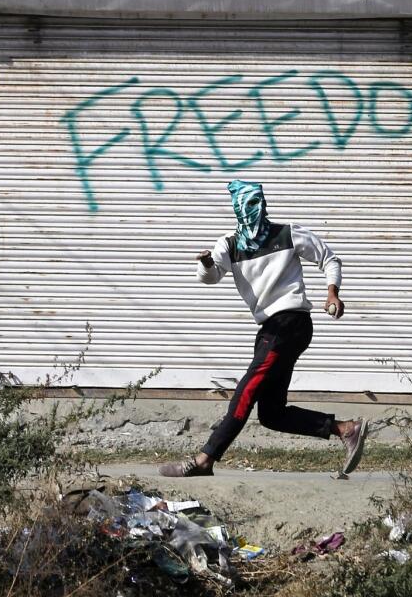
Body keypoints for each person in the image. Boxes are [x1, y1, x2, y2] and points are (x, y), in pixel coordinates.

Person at [158, 179, 368, 478]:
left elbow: (329, 258)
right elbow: (210, 277)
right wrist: (206, 263)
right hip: (271, 329)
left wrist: (332, 292)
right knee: (272, 414)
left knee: (247, 389)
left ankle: (205, 459)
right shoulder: (229, 244)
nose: (254, 211)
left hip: (291, 323)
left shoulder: (287, 233)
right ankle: (346, 429)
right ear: (237, 209)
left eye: (258, 203)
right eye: (247, 205)